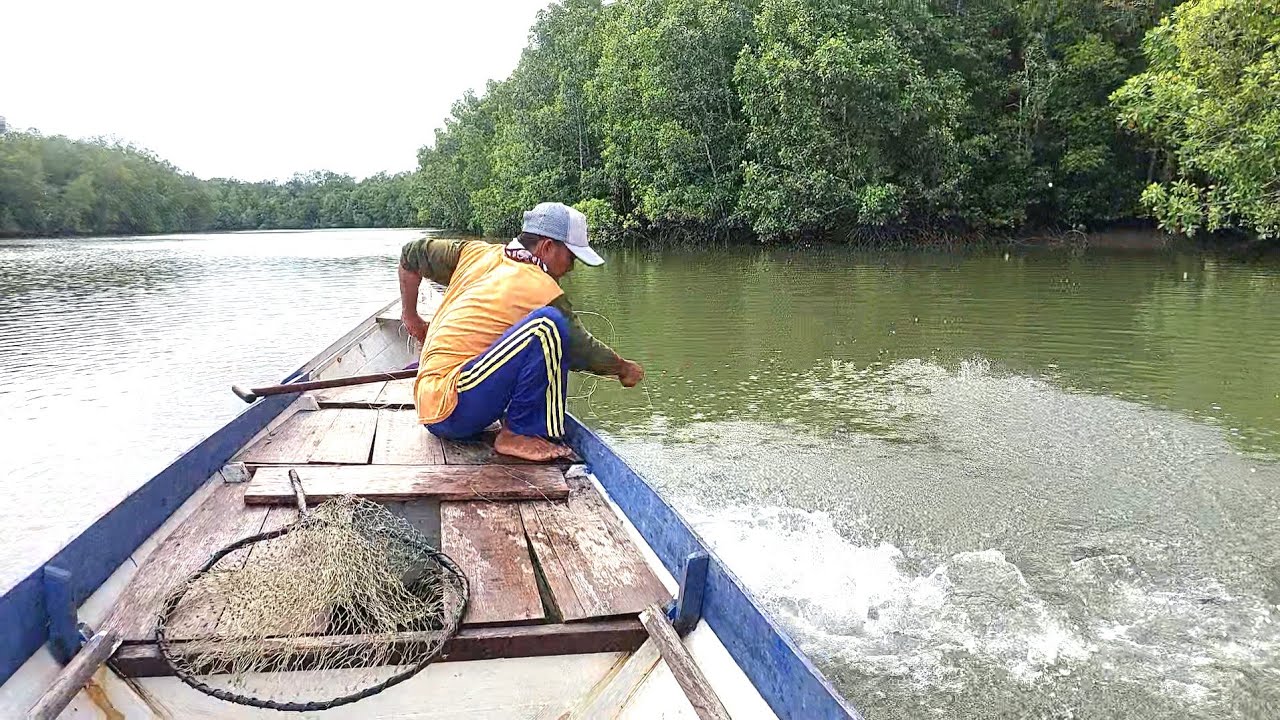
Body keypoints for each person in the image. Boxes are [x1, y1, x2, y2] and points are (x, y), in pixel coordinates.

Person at [397, 201, 645, 461]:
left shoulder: (475, 253)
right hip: (452, 410)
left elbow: (411, 254)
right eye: (571, 258)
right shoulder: (544, 290)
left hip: (432, 400)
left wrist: (411, 317)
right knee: (549, 324)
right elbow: (582, 350)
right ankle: (520, 433)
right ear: (547, 247)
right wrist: (623, 369)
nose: (571, 268)